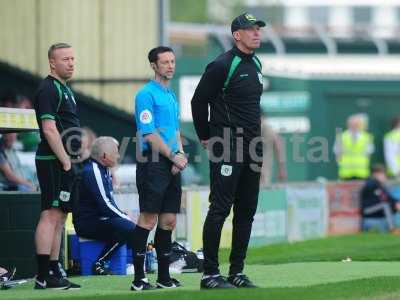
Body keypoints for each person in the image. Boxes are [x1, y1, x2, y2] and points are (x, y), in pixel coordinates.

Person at [191, 13, 266, 289]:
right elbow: (198, 101)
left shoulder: (256, 63)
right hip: (227, 145)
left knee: (246, 210)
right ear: (237, 35)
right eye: (251, 29)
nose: (257, 33)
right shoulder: (223, 64)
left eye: (259, 29)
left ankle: (237, 271)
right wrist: (205, 136)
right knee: (220, 208)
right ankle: (209, 274)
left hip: (253, 147)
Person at [131, 46, 188, 291]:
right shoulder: (146, 94)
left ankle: (164, 277)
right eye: (165, 62)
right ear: (154, 66)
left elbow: (175, 131)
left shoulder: (171, 95)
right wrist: (172, 156)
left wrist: (181, 155)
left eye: (173, 61)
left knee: (169, 221)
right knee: (148, 218)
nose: (170, 66)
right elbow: (149, 133)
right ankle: (139, 279)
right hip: (153, 161)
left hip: (172, 161)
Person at [33, 43, 81, 290]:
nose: (71, 63)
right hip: (53, 161)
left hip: (65, 161)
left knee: (60, 217)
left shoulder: (65, 89)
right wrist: (64, 160)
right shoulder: (48, 89)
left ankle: (53, 271)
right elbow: (49, 130)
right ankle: (42, 275)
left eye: (73, 58)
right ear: (52, 62)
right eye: (65, 59)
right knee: (50, 215)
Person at [73, 137, 135, 275]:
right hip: (86, 224)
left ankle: (106, 263)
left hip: (98, 220)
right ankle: (101, 263)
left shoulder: (103, 170)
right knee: (130, 227)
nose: (118, 156)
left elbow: (108, 203)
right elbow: (105, 205)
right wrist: (125, 217)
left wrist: (122, 216)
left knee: (128, 227)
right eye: (116, 152)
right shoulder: (93, 171)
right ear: (104, 156)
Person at [360, 164, 400, 232]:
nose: (385, 177)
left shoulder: (379, 184)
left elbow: (389, 198)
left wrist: (397, 202)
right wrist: (394, 204)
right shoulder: (371, 184)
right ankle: (392, 229)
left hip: (377, 210)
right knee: (385, 205)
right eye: (383, 174)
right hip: (367, 211)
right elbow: (381, 199)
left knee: (394, 204)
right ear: (376, 174)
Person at [334, 114, 374, 180]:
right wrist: (340, 163)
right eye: (352, 124)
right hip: (345, 173)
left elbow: (369, 154)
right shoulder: (341, 136)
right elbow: (337, 153)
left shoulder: (367, 137)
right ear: (348, 124)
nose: (354, 126)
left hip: (362, 173)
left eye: (356, 124)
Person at [260, 115, 286, 187]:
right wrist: (282, 169)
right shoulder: (267, 128)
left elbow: (278, 146)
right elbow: (279, 146)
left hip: (261, 173)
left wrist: (281, 169)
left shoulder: (266, 128)